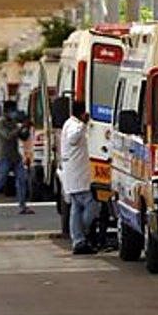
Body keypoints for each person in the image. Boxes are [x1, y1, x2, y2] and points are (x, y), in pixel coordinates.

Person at [60, 100, 98, 255]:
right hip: (77, 173)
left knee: (76, 208)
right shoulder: (73, 125)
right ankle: (81, 234)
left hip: (76, 173)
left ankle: (78, 240)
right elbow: (73, 139)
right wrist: (84, 124)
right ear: (82, 113)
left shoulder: (70, 123)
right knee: (90, 205)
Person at [0, 100, 32, 216]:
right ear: (6, 112)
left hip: (15, 156)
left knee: (21, 179)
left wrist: (26, 128)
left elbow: (23, 137)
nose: (14, 113)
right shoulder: (0, 123)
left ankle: (22, 206)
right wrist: (20, 128)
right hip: (4, 156)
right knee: (1, 180)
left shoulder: (14, 122)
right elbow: (8, 136)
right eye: (12, 111)